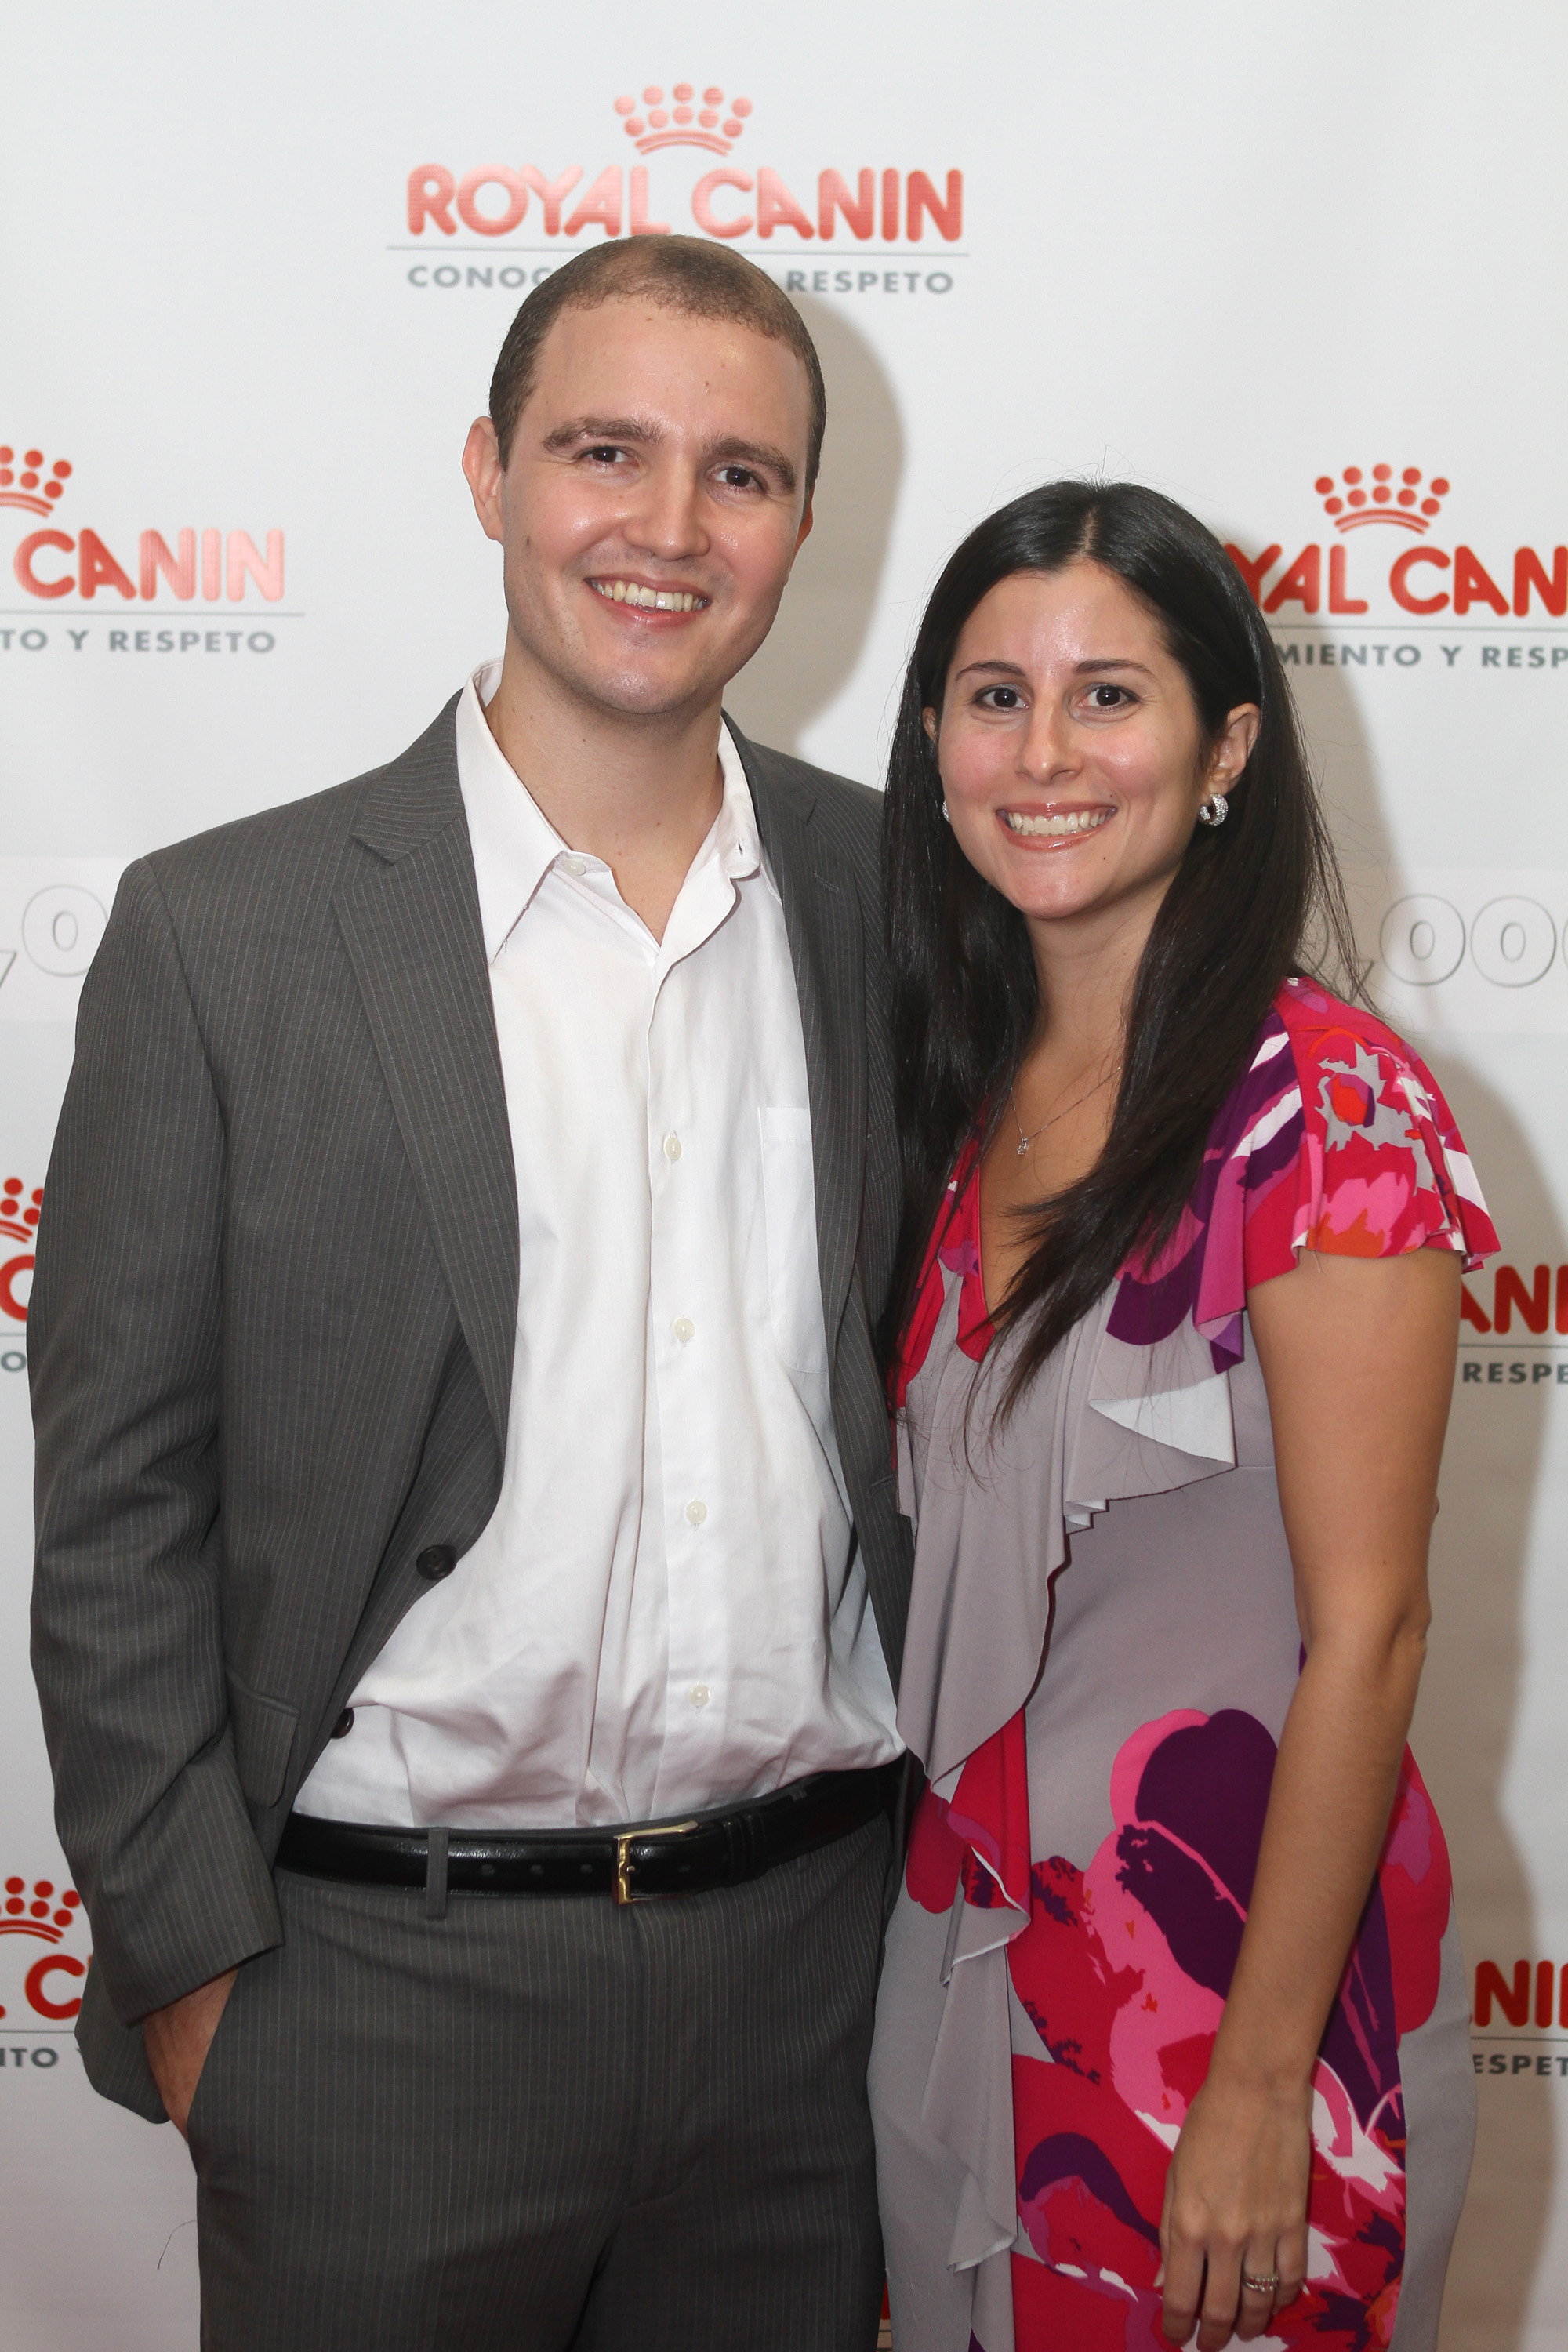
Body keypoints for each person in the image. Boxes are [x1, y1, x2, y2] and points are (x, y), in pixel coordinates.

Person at [29, 236, 910, 2352]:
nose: (668, 528)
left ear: (802, 522)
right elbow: (117, 1511)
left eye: (742, 474)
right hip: (369, 2009)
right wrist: (204, 1992)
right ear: (488, 472)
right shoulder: (224, 938)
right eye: (605, 451)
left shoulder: (905, 906)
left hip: (813, 1999)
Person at [867, 481, 1495, 2352]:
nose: (1043, 753)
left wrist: (1250, 2086)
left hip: (1231, 2021)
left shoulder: (1324, 1105)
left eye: (1106, 696)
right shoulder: (962, 1095)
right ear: (932, 741)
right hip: (965, 1974)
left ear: (1225, 744)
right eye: (993, 696)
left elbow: (1369, 1633)